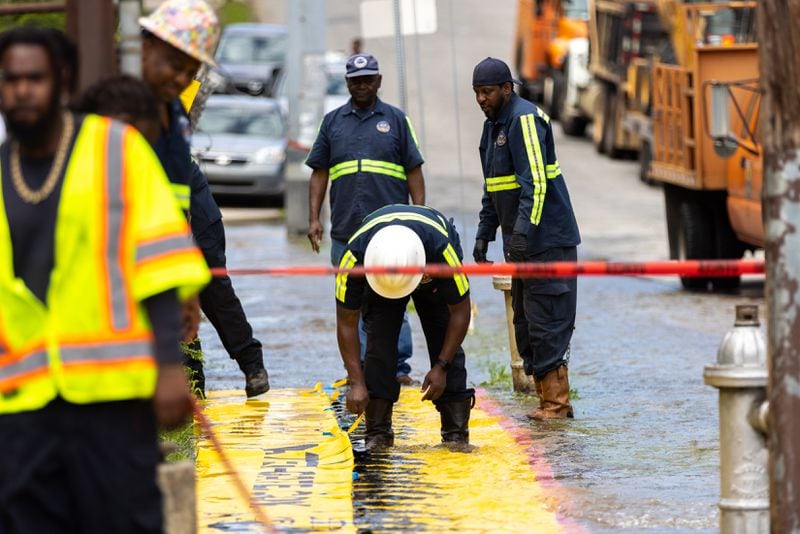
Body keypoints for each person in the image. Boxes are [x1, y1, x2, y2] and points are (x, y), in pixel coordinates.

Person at [0, 27, 210, 532]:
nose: (22, 90)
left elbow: (157, 265)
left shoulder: (117, 149)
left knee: (123, 521)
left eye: (35, 78)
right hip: (21, 399)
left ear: (63, 82)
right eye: (10, 80)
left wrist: (167, 368)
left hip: (110, 395)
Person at [140, 0, 270, 398]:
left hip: (194, 216)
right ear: (145, 45)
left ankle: (248, 367)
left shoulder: (174, 118)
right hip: (146, 220)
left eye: (189, 71)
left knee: (208, 288)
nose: (180, 78)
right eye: (174, 66)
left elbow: (177, 203)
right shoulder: (116, 101)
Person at [471, 57, 581, 420]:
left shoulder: (525, 119)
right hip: (523, 244)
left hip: (547, 240)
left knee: (547, 318)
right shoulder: (492, 129)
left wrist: (522, 235)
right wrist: (484, 235)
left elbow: (535, 183)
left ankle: (557, 404)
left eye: (487, 92)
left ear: (507, 88)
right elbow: (494, 188)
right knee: (527, 322)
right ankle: (545, 401)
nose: (481, 99)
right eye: (476, 93)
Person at [306, 52, 425, 384]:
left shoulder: (397, 121)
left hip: (391, 234)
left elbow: (414, 171)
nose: (361, 85)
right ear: (347, 82)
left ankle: (399, 369)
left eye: (368, 79)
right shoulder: (332, 123)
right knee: (350, 303)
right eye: (355, 80)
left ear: (379, 81)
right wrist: (313, 218)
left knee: (394, 296)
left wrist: (418, 216)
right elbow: (319, 173)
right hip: (346, 231)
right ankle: (360, 370)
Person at [335, 204, 474, 450]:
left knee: (444, 336)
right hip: (379, 287)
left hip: (431, 277)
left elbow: (460, 312)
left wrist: (441, 366)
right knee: (379, 346)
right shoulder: (353, 258)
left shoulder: (442, 249)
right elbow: (346, 323)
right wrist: (357, 382)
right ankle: (378, 433)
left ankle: (456, 434)